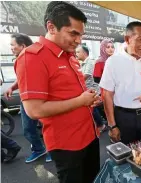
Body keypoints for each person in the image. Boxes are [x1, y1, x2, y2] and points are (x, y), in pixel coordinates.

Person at [15, 2, 101, 182]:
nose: (79, 41)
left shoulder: (69, 55)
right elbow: (34, 110)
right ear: (51, 27)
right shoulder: (33, 57)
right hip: (68, 145)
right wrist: (81, 101)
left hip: (89, 135)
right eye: (73, 34)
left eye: (81, 35)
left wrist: (89, 99)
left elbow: (72, 93)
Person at [100, 21, 141, 145]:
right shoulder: (113, 61)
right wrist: (112, 126)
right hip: (124, 117)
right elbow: (107, 95)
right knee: (125, 153)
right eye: (140, 40)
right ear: (127, 39)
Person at [3, 33, 53, 163]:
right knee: (27, 129)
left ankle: (53, 151)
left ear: (23, 46)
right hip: (26, 100)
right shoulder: (20, 60)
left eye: (13, 45)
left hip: (42, 100)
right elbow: (22, 79)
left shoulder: (35, 59)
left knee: (48, 127)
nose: (11, 48)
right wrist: (12, 88)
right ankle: (39, 149)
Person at [76, 45, 106, 132]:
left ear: (84, 53)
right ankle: (102, 124)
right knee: (94, 108)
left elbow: (85, 76)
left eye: (78, 52)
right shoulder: (83, 63)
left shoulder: (90, 62)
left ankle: (101, 125)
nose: (76, 54)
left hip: (93, 90)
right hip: (88, 90)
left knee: (93, 108)